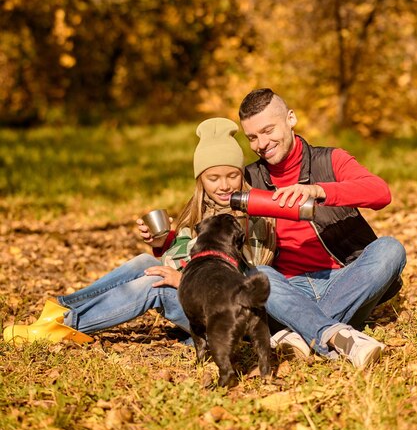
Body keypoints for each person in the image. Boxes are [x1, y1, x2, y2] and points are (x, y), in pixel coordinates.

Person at [3, 118, 274, 346]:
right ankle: (61, 309)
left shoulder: (252, 218)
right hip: (198, 296)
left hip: (225, 317)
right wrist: (162, 241)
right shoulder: (203, 209)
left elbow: (240, 284)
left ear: (242, 174)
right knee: (145, 262)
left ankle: (65, 328)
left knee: (153, 285)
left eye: (232, 175)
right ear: (200, 180)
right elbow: (185, 255)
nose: (224, 185)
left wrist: (180, 281)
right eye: (213, 178)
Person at [238, 88, 407, 368]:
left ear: (291, 119)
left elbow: (381, 193)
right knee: (258, 275)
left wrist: (318, 190)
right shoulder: (249, 178)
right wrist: (164, 241)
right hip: (287, 289)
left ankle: (300, 332)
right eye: (252, 137)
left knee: (390, 249)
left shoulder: (330, 160)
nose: (262, 143)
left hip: (345, 280)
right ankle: (332, 332)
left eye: (268, 130)